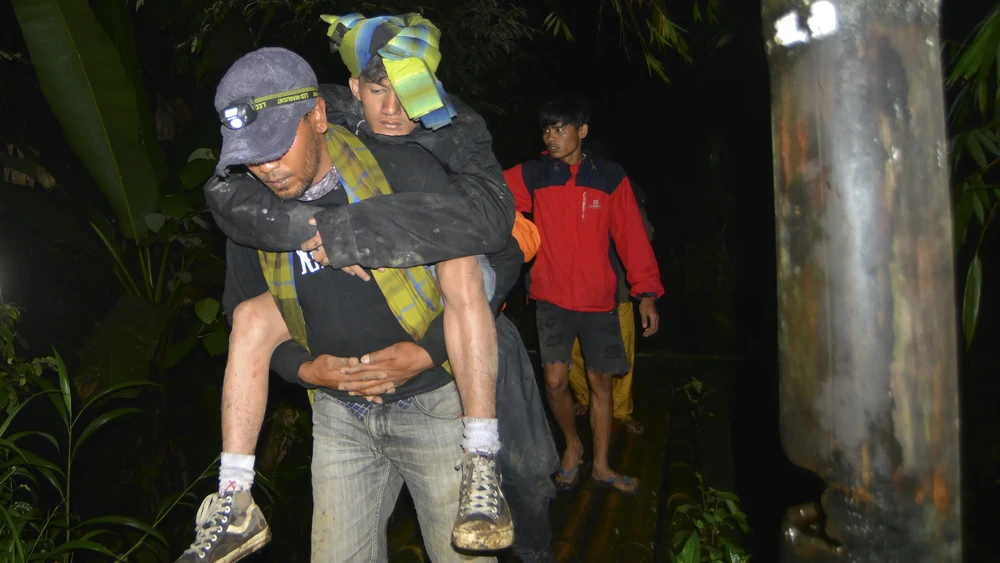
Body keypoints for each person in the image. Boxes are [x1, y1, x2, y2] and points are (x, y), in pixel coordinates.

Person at [177, 20, 557, 563]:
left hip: (431, 404)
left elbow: (493, 250)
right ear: (353, 91)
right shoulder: (257, 203)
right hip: (338, 417)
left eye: (278, 147)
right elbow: (246, 310)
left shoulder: (412, 160)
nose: (267, 166)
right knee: (253, 321)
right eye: (253, 155)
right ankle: (234, 497)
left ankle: (480, 457)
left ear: (318, 116)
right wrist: (306, 369)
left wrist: (427, 349)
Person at [504, 96, 664, 496]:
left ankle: (604, 466)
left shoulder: (609, 176)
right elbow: (489, 192)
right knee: (556, 382)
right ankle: (573, 444)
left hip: (599, 301)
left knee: (601, 384)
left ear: (582, 131)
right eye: (546, 130)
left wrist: (645, 293)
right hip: (552, 298)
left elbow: (631, 235)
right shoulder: (536, 174)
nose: (552, 137)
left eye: (560, 128)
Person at [568, 178, 654, 435]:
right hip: (575, 292)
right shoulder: (564, 189)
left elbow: (643, 235)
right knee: (575, 350)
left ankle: (621, 411)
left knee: (621, 353)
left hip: (618, 293)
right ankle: (584, 399)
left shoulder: (623, 190)